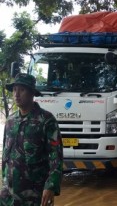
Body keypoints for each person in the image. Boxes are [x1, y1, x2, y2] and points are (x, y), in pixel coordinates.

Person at [0, 73, 63, 206]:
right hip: (9, 194)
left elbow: (56, 157)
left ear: (32, 93)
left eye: (22, 90)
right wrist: (4, 180)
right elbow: (6, 156)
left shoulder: (46, 120)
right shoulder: (10, 121)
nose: (16, 94)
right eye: (15, 89)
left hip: (35, 194)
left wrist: (50, 186)